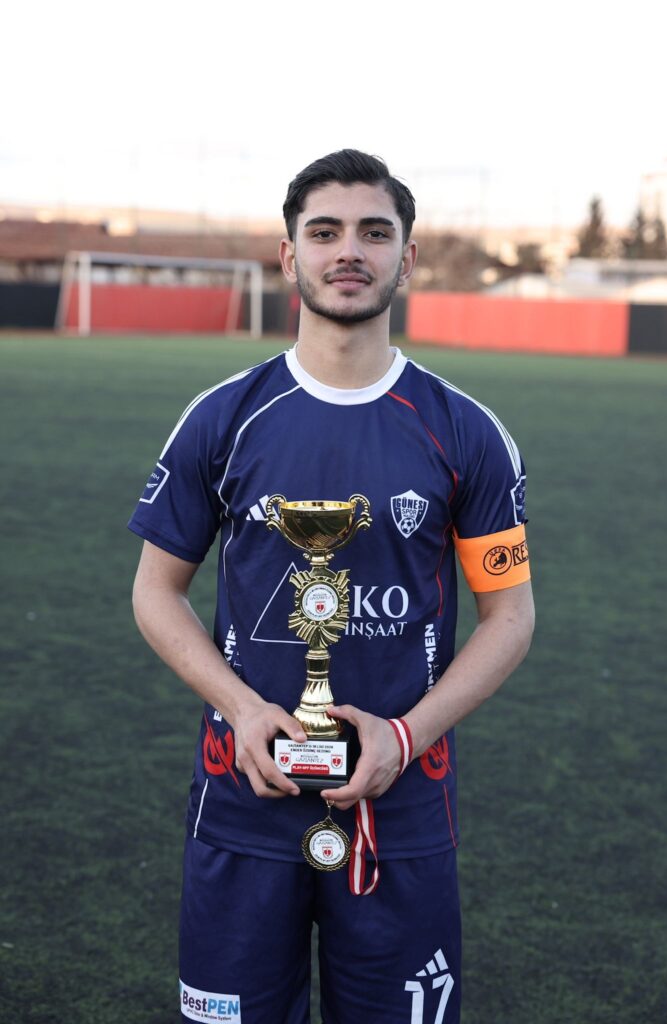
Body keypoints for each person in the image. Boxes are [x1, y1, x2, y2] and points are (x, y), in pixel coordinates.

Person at [129, 149, 535, 1024]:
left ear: (406, 257)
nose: (348, 250)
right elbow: (155, 592)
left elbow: (509, 616)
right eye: (324, 232)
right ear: (289, 257)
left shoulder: (465, 431)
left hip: (401, 805)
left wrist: (405, 735)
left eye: (373, 232)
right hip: (244, 800)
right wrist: (241, 709)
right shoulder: (224, 417)